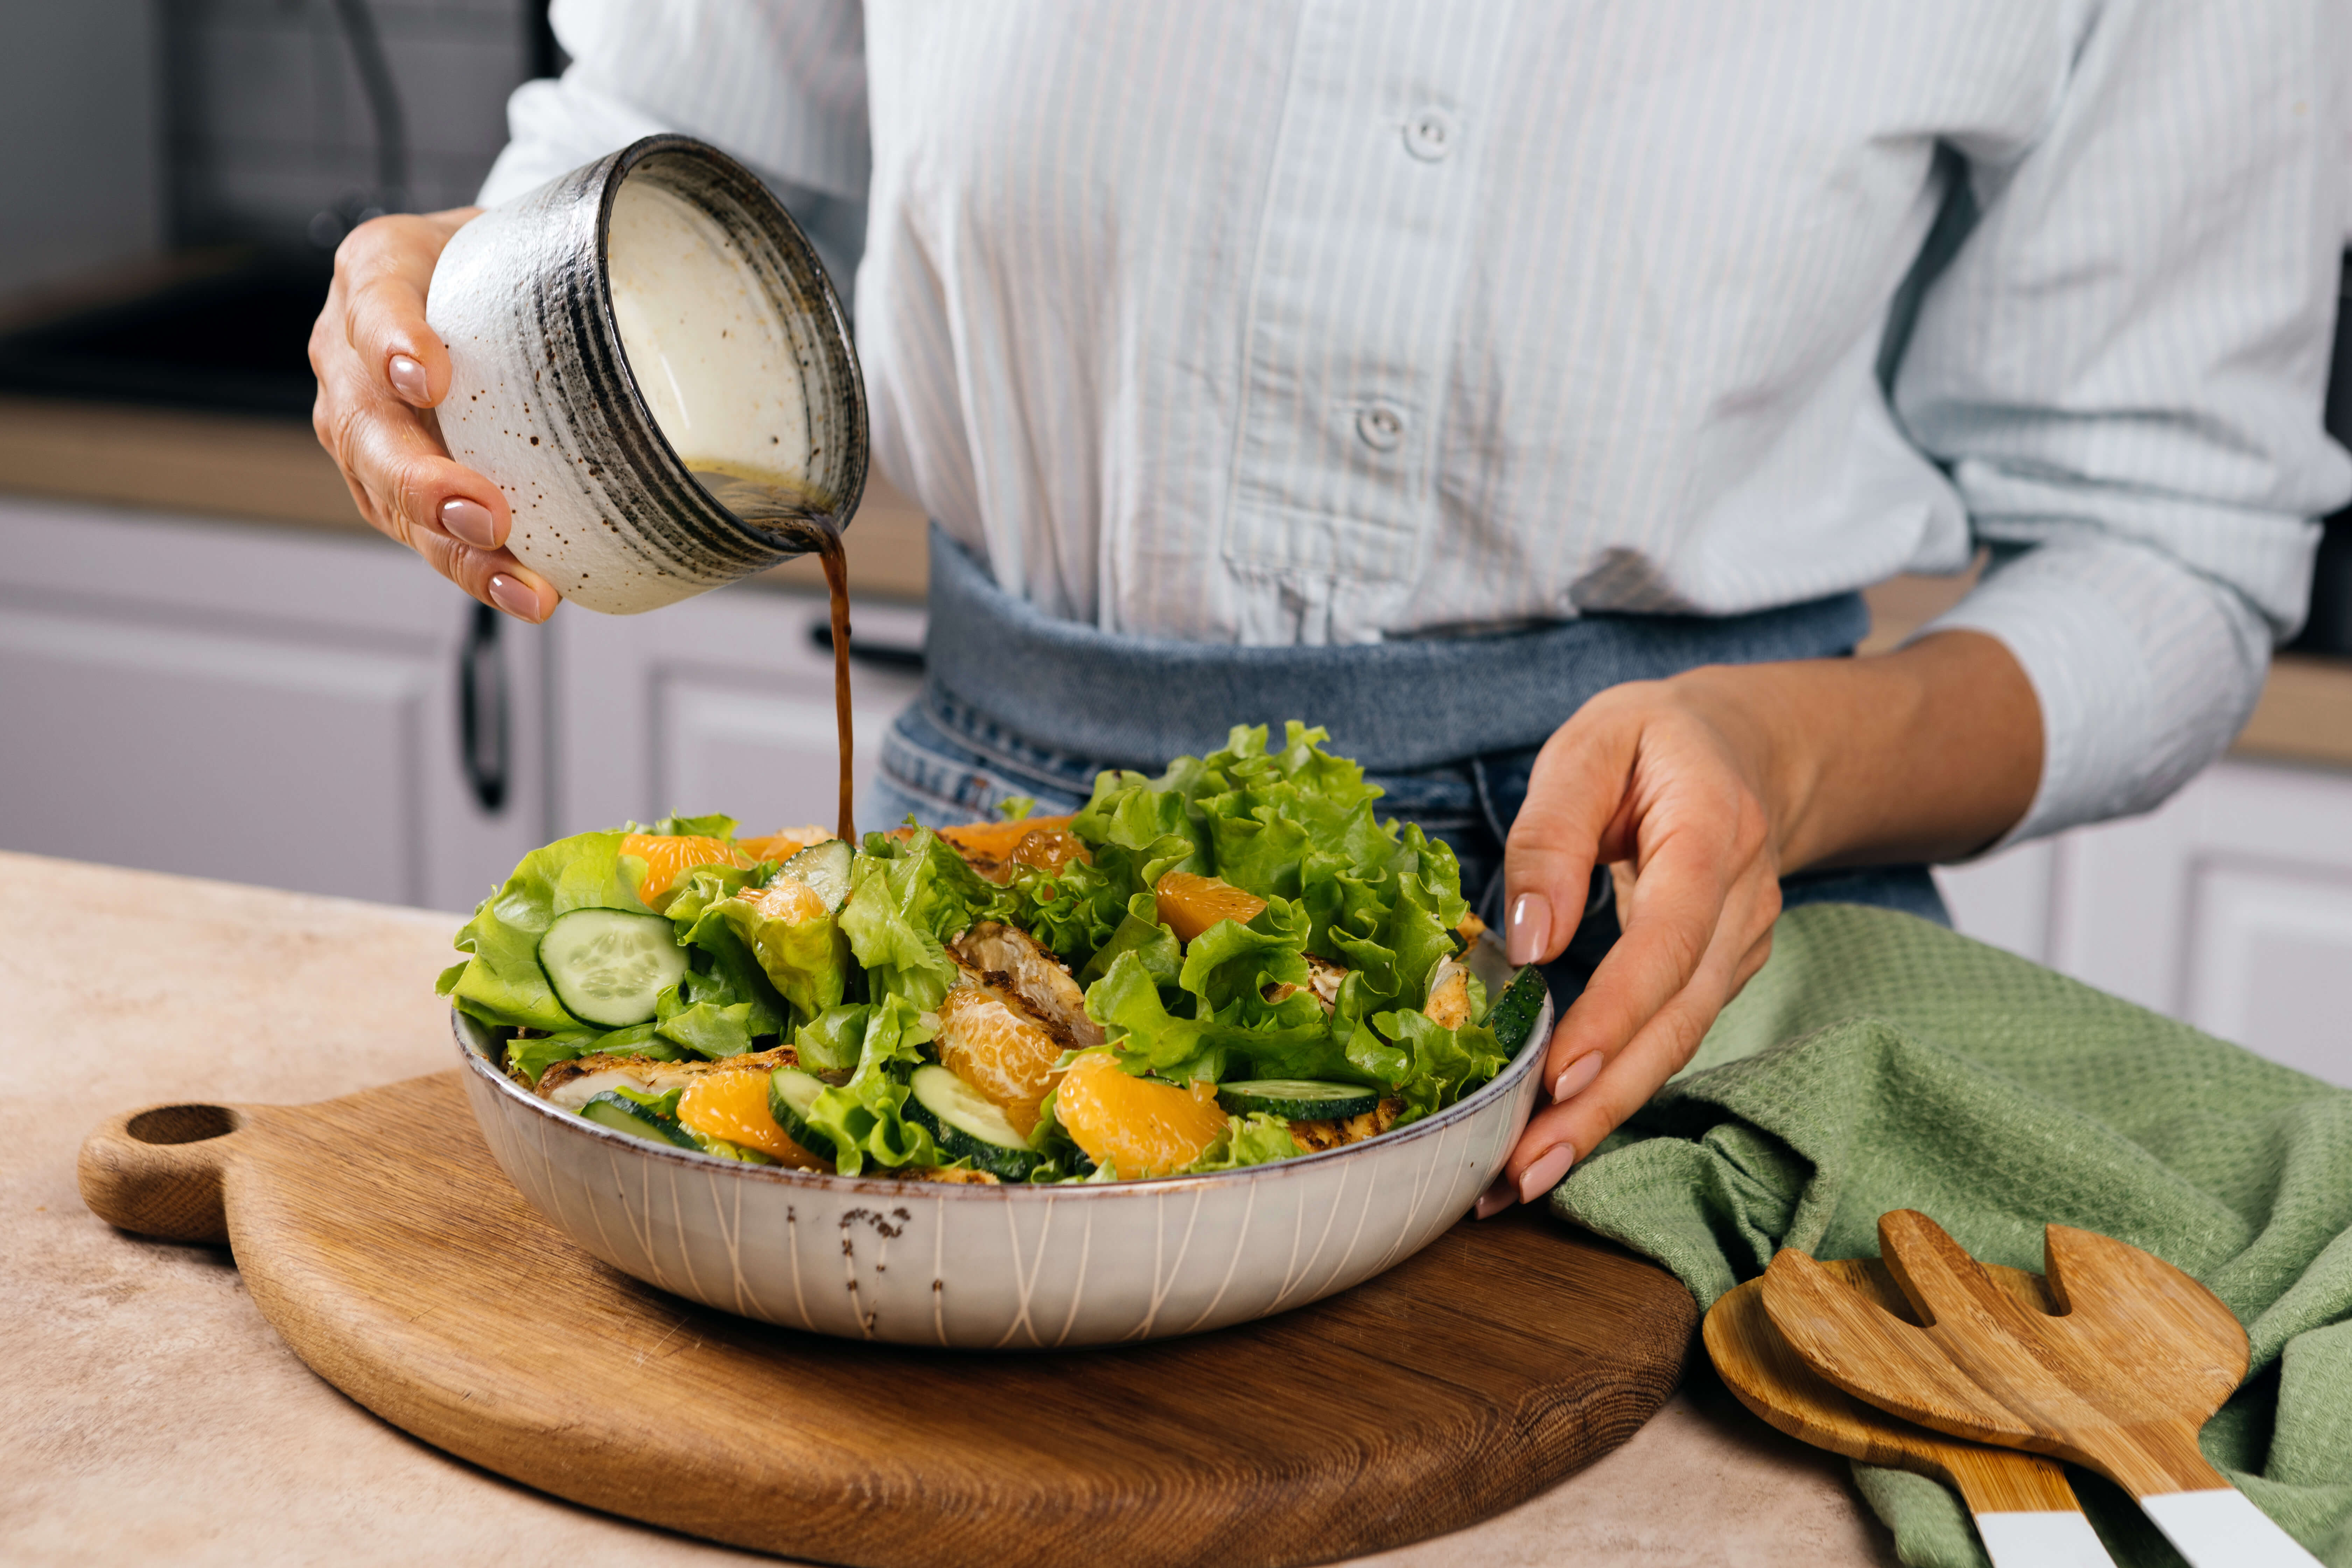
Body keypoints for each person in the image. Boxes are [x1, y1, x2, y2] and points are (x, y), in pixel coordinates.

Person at [309, 1, 2349, 1216]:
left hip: (1672, 951)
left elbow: (2168, 535)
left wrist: (1800, 756)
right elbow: (675, 174)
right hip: (989, 889)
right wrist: (452, 300)